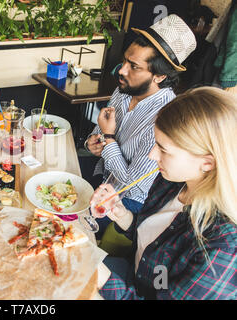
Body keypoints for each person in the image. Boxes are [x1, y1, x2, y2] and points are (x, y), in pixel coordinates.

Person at [94, 87, 237, 300]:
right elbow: (155, 246)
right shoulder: (172, 181)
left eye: (163, 149)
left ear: (207, 162)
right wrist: (123, 215)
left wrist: (100, 278)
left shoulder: (223, 248)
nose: (152, 155)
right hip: (134, 278)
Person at [82, 14, 197, 237]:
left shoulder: (165, 118)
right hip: (102, 174)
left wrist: (108, 139)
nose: (122, 71)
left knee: (73, 229)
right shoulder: (124, 89)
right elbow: (99, 133)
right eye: (125, 61)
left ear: (160, 76)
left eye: (133, 66)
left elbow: (133, 185)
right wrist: (91, 143)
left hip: (127, 201)